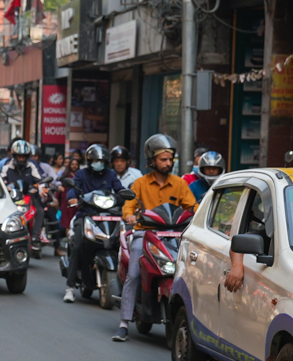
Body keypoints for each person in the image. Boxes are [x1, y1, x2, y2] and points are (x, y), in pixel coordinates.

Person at [114, 134, 198, 340]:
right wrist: (130, 215)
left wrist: (201, 214)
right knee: (133, 274)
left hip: (175, 235)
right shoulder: (140, 184)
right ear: (152, 160)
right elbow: (129, 206)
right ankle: (124, 323)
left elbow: (192, 206)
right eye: (163, 159)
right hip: (145, 233)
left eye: (170, 160)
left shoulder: (179, 184)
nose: (168, 163)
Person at [63, 144, 126, 304]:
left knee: (120, 246)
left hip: (107, 217)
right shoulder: (81, 174)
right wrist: (72, 197)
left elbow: (119, 190)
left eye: (102, 161)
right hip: (86, 215)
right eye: (96, 160)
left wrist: (124, 197)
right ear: (89, 160)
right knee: (77, 247)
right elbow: (73, 189)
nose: (99, 163)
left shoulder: (111, 175)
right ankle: (70, 287)